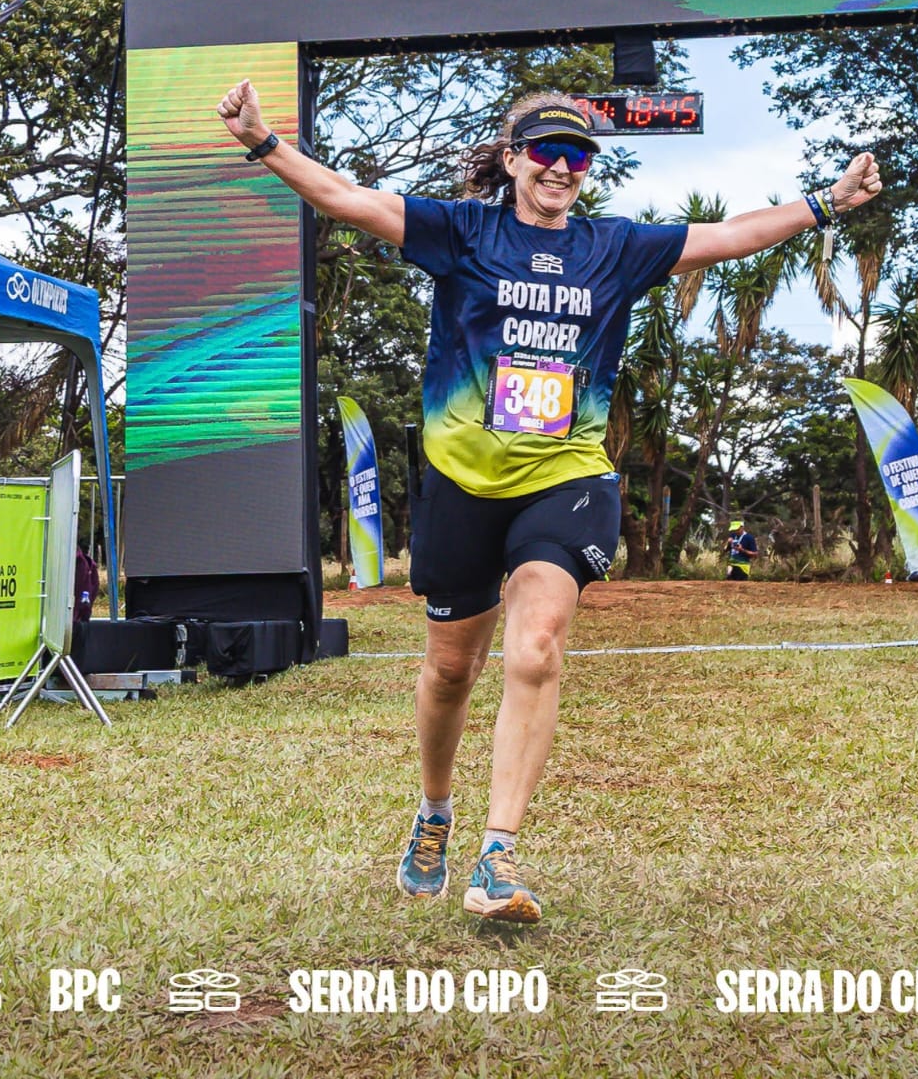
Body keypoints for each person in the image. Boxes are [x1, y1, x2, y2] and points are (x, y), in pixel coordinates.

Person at [218, 79, 881, 923]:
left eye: (578, 156)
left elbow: (728, 236)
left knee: (535, 647)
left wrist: (826, 203)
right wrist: (263, 141)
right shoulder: (463, 233)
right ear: (512, 159)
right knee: (450, 671)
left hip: (566, 474)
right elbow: (349, 200)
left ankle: (498, 854)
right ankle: (435, 812)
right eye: (546, 152)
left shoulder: (615, 248)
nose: (562, 168)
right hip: (463, 481)